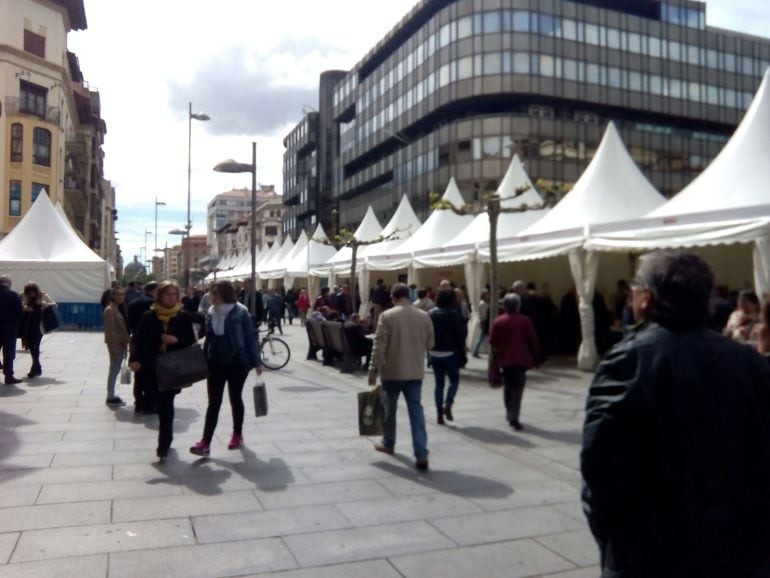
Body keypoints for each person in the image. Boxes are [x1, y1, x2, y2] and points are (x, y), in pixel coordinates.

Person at [581, 251, 770, 578]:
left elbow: (600, 472)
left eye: (636, 286)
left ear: (647, 299)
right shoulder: (751, 363)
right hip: (739, 550)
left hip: (653, 553)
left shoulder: (629, 362)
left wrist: (616, 546)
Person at [190, 281, 262, 457]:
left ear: (224, 294)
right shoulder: (211, 312)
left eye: (214, 294)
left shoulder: (240, 312)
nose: (210, 297)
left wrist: (257, 362)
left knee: (235, 399)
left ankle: (237, 434)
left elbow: (250, 337)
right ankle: (205, 442)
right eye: (211, 293)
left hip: (237, 363)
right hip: (215, 362)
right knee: (213, 403)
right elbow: (209, 337)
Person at [368, 282, 435, 470]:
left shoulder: (386, 316)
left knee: (389, 410)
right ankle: (421, 452)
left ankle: (389, 442)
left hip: (392, 371)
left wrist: (373, 371)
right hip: (415, 371)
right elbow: (431, 344)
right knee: (416, 411)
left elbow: (379, 347)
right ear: (409, 295)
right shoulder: (424, 316)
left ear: (393, 297)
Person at [129, 281, 196, 461]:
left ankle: (164, 444)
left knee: (166, 406)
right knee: (157, 401)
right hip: (152, 367)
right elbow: (138, 339)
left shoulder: (183, 316)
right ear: (160, 296)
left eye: (174, 294)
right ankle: (164, 437)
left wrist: (176, 341)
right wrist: (134, 359)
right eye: (168, 294)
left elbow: (190, 342)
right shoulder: (149, 315)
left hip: (173, 368)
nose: (171, 298)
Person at [489, 293, 540, 430]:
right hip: (520, 359)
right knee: (518, 389)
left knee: (508, 387)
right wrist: (536, 359)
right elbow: (533, 341)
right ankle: (514, 416)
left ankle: (509, 412)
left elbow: (493, 342)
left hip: (505, 360)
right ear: (518, 305)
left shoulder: (498, 321)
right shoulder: (525, 321)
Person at [429, 288, 467, 424]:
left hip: (434, 352)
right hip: (450, 352)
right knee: (454, 381)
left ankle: (439, 414)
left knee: (439, 384)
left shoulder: (431, 313)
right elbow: (460, 333)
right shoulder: (454, 313)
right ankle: (448, 403)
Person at [127, 281, 159, 413]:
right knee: (151, 374)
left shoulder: (133, 303)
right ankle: (149, 403)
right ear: (155, 290)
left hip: (136, 339)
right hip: (150, 342)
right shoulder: (153, 304)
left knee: (138, 374)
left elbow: (128, 322)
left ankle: (138, 402)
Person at [20, 283, 55, 379]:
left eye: (33, 291)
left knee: (35, 346)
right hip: (28, 324)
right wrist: (25, 307)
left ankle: (33, 369)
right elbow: (21, 305)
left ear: (36, 291)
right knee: (31, 347)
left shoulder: (43, 295)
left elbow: (54, 305)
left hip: (39, 325)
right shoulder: (24, 296)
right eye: (29, 292)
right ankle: (38, 367)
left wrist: (43, 303)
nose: (31, 294)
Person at [103, 286, 129, 406]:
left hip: (121, 344)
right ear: (113, 296)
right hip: (115, 345)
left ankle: (111, 394)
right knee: (114, 370)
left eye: (123, 294)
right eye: (118, 294)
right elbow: (109, 331)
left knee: (115, 369)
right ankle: (110, 396)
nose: (121, 297)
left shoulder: (119, 308)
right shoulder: (110, 310)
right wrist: (112, 349)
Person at [0, 275, 23, 385]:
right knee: (8, 353)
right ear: (8, 283)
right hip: (9, 329)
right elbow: (19, 312)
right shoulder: (13, 295)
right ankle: (8, 376)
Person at [472, 290, 491, 357]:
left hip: (484, 321)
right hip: (484, 322)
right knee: (481, 337)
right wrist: (485, 321)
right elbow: (483, 314)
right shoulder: (483, 303)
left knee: (483, 337)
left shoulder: (485, 303)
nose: (488, 296)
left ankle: (476, 351)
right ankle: (475, 351)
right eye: (486, 294)